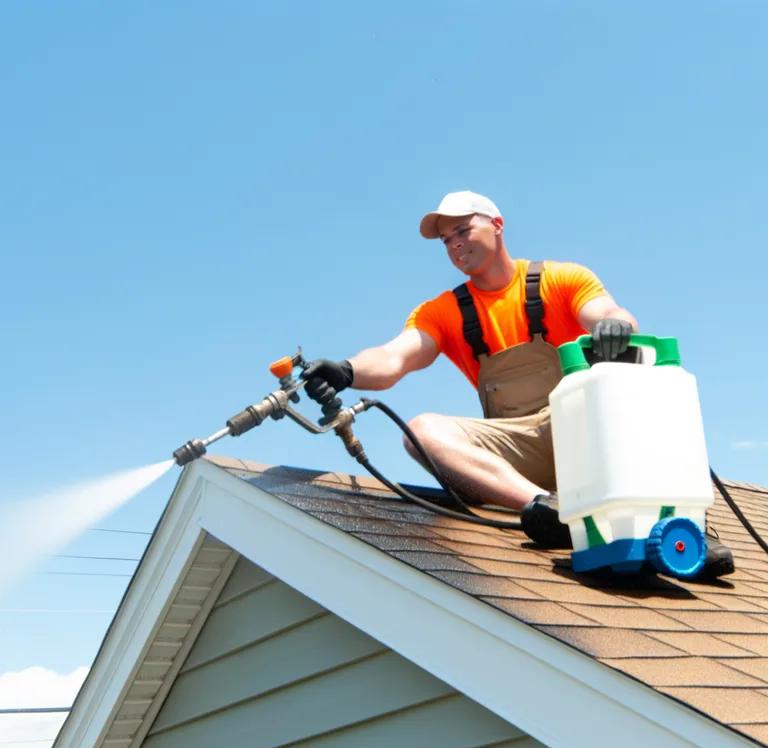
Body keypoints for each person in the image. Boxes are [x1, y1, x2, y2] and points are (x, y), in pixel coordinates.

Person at [303, 190, 733, 579]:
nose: (453, 244)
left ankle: (684, 523)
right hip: (518, 450)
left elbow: (609, 312)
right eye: (445, 240)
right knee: (421, 432)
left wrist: (614, 326)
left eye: (462, 229)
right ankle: (550, 512)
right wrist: (347, 369)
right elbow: (394, 357)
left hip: (588, 436)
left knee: (637, 389)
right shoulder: (444, 311)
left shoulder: (561, 279)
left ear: (497, 225)